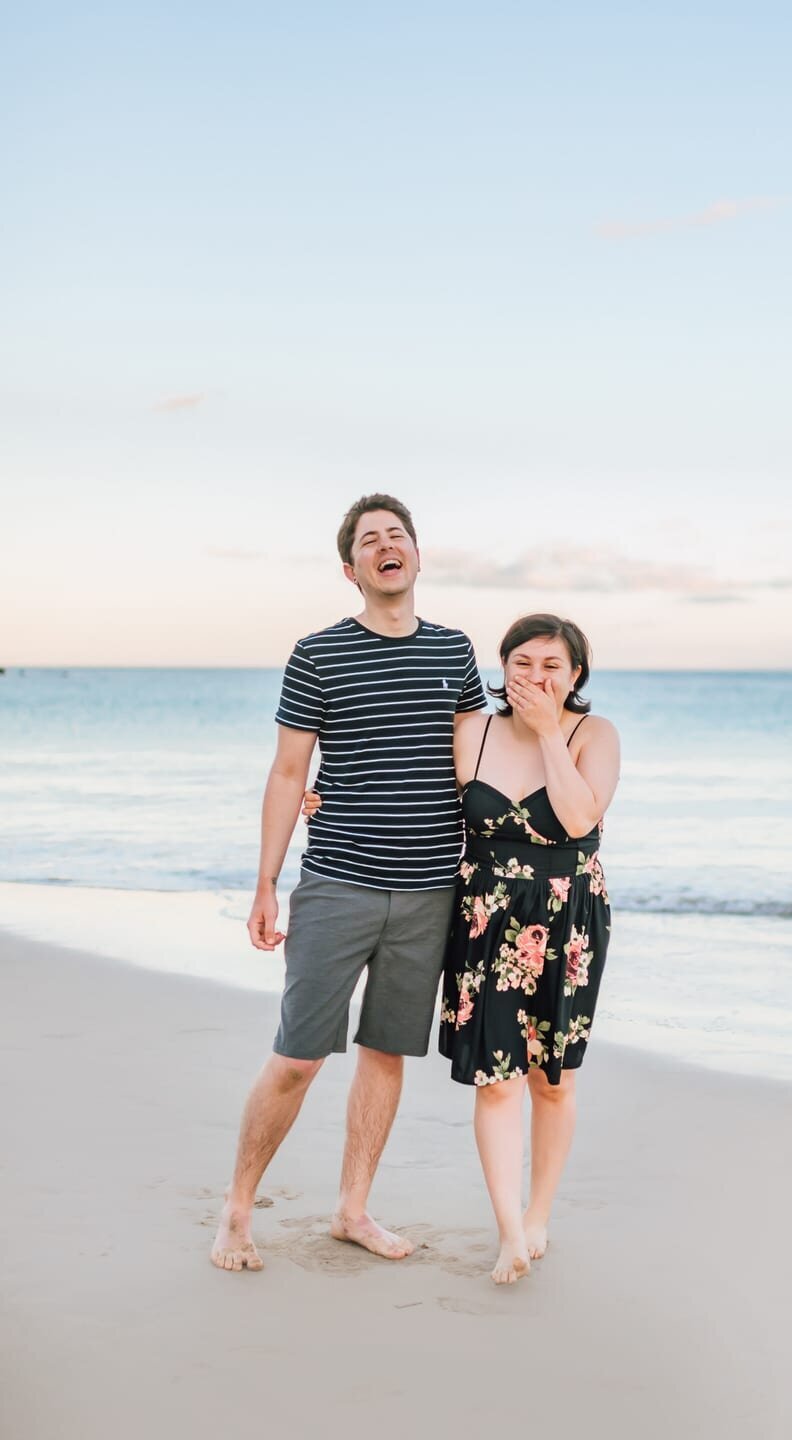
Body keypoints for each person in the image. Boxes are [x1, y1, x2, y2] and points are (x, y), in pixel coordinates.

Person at [210, 493, 487, 1272]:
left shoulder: (455, 652)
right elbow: (289, 770)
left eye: (397, 534)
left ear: (417, 557)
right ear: (352, 568)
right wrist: (266, 882)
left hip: (431, 889)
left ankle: (352, 1209)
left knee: (387, 1052)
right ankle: (236, 1210)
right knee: (299, 1055)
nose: (386, 545)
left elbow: (480, 759)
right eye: (371, 539)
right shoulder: (318, 654)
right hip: (337, 882)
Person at [439, 614, 620, 1284]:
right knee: (495, 1082)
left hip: (568, 919)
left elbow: (578, 818)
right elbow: (416, 801)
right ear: (502, 665)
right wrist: (328, 798)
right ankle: (509, 1230)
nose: (535, 677)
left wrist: (548, 734)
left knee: (553, 1080)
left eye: (552, 665)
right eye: (522, 662)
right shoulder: (473, 730)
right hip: (485, 917)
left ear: (575, 675)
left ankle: (539, 1212)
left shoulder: (594, 734)